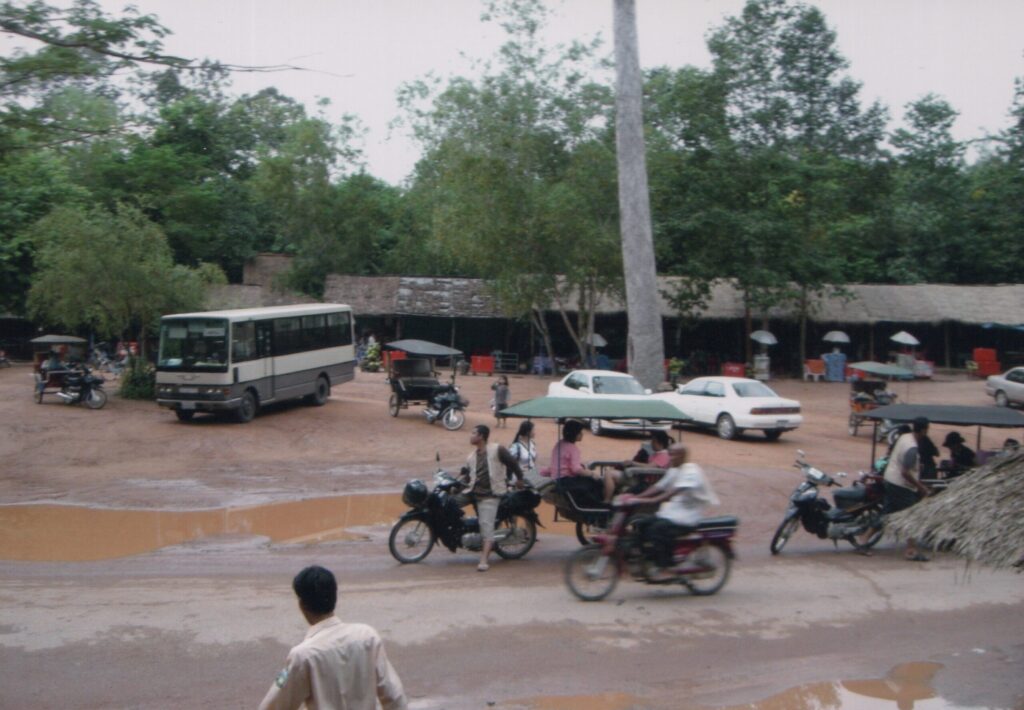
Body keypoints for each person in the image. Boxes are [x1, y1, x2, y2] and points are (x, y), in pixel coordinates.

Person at [258, 565, 407, 710]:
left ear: (302, 605)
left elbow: (275, 704)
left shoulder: (303, 656)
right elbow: (394, 696)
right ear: (334, 597)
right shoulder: (367, 636)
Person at [626, 444, 719, 583]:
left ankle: (666, 567)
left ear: (683, 456)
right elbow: (659, 486)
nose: (671, 457)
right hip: (673, 512)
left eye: (674, 454)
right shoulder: (675, 470)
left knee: (658, 530)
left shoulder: (691, 472)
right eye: (670, 454)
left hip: (687, 517)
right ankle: (649, 561)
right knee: (641, 524)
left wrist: (648, 500)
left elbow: (671, 492)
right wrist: (636, 497)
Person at [859, 416, 933, 561]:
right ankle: (911, 550)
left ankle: (864, 539)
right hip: (900, 485)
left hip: (890, 479)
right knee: (911, 515)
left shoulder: (905, 437)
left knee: (886, 514)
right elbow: (905, 472)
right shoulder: (912, 448)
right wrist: (921, 488)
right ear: (924, 430)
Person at [455, 424, 525, 572]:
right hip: (472, 492)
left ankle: (484, 559)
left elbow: (513, 463)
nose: (471, 435)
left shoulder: (497, 449)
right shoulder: (471, 457)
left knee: (486, 526)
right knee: (449, 503)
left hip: (490, 495)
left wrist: (519, 479)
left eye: (473, 433)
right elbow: (469, 476)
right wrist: (456, 486)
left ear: (481, 436)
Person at [602, 429, 672, 502]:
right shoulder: (656, 454)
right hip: (640, 478)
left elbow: (649, 467)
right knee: (610, 473)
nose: (651, 443)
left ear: (659, 443)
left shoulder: (664, 455)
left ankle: (607, 501)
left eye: (653, 441)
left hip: (645, 483)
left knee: (609, 474)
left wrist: (633, 463)